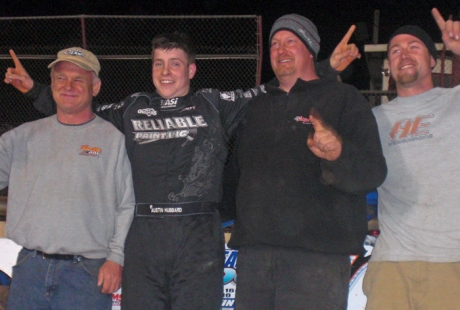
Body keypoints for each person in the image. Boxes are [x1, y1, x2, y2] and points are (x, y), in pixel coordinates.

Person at [4, 30, 359, 309]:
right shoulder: (133, 107)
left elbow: (270, 91)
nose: (166, 71)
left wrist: (325, 68)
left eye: (175, 63)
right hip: (144, 234)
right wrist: (34, 89)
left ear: (190, 69)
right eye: (158, 63)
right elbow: (78, 106)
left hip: (198, 235)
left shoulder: (214, 104)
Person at [227, 14, 387, 310]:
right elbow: (235, 175)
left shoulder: (344, 99)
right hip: (255, 259)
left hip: (318, 259)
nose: (280, 50)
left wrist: (339, 154)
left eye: (291, 41)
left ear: (311, 49)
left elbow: (372, 171)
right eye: (274, 43)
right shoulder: (255, 106)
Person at [0, 47, 135, 309]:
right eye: (61, 78)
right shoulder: (21, 137)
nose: (68, 86)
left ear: (95, 87)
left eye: (78, 79)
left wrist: (116, 258)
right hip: (30, 270)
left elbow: (126, 205)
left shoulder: (113, 140)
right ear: (51, 85)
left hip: (87, 275)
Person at [362, 8, 460, 310]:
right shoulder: (371, 119)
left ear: (433, 60)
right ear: (389, 66)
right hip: (391, 262)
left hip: (451, 259)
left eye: (414, 46)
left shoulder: (455, 100)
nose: (403, 54)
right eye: (395, 50)